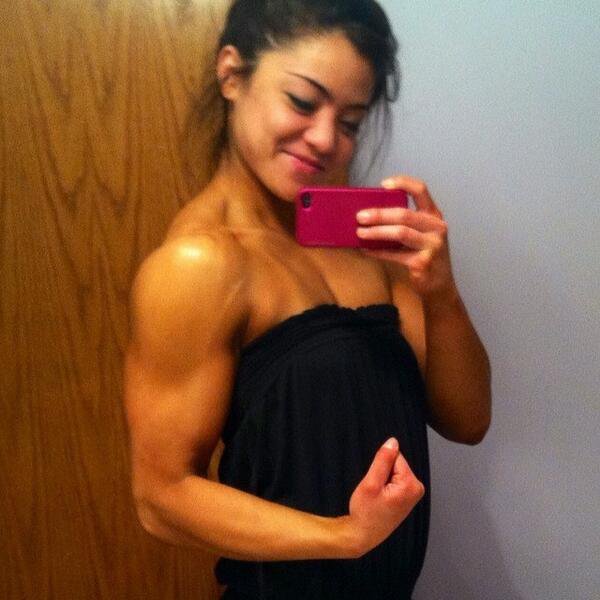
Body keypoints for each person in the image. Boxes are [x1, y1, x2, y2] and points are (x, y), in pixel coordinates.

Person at [123, 0, 492, 598]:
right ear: (232, 73)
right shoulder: (202, 264)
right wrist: (344, 536)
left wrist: (441, 292)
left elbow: (468, 421)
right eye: (301, 101)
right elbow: (161, 497)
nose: (324, 139)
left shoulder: (367, 241)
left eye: (350, 122)